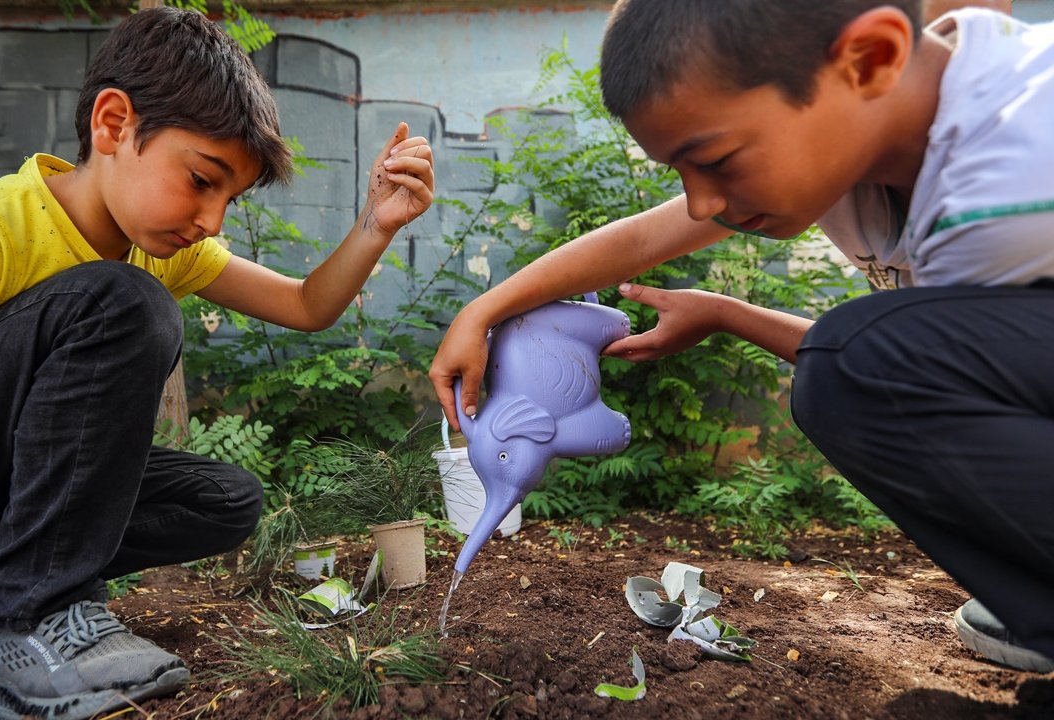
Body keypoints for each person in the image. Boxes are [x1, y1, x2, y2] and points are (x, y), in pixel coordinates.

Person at [0, 7, 434, 720]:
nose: (212, 221)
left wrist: (376, 223)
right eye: (202, 180)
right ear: (113, 124)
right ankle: (30, 631)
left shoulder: (158, 244)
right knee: (124, 303)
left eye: (229, 198)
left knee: (222, 501)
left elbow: (307, 306)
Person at [431, 0, 1054, 674]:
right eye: (683, 173)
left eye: (716, 161)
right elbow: (644, 238)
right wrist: (484, 312)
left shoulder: (1007, 188)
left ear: (871, 58)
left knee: (847, 370)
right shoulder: (868, 123)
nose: (701, 203)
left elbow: (883, 371)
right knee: (846, 365)